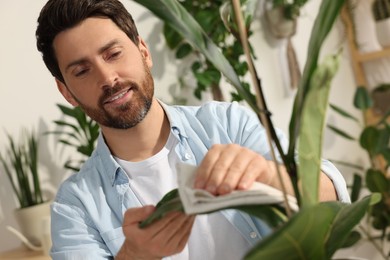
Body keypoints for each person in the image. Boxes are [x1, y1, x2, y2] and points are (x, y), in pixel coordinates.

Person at [36, 0, 350, 259]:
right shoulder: (75, 205)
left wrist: (267, 175)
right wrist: (135, 255)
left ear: (143, 51)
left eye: (113, 54)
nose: (107, 77)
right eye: (82, 70)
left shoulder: (227, 123)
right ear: (66, 92)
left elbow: (332, 199)